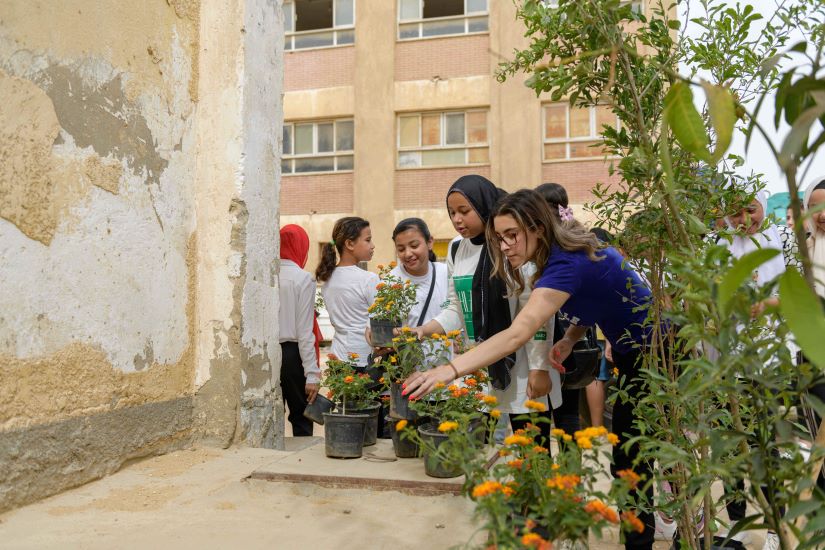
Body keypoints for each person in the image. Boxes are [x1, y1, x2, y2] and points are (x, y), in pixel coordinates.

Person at [404, 189, 658, 550]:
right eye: (499, 237)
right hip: (632, 353)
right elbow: (596, 296)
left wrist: (450, 369)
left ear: (538, 227)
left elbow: (518, 333)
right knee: (631, 457)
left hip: (661, 355)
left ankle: (649, 538)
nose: (504, 246)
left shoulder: (566, 263)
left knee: (634, 459)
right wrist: (570, 338)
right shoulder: (558, 259)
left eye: (512, 235)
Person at [414, 175, 561, 443]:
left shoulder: (513, 245)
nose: (457, 220)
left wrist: (539, 368)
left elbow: (538, 314)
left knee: (531, 451)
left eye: (464, 211)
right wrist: (424, 329)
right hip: (479, 363)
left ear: (484, 205)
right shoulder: (457, 249)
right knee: (478, 448)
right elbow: (457, 306)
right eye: (451, 213)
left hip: (523, 365)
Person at [535, 182, 608, 433]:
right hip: (571, 337)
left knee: (549, 413)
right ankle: (572, 472)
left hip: (557, 337)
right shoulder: (575, 239)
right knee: (569, 415)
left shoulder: (559, 251)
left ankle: (564, 471)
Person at [316, 217, 379, 368]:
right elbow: (380, 321)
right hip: (364, 358)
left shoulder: (327, 279)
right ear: (350, 244)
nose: (373, 246)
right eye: (368, 240)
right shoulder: (369, 279)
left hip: (337, 357)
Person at [278, 224, 322, 437]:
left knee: (272, 415)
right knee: (301, 416)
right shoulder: (302, 279)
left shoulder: (267, 275)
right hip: (293, 357)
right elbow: (305, 331)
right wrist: (312, 373)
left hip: (267, 355)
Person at [390, 218, 449, 328]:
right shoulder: (391, 282)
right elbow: (378, 329)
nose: (408, 254)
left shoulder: (446, 273)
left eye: (414, 246)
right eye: (401, 249)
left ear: (430, 242)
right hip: (409, 345)